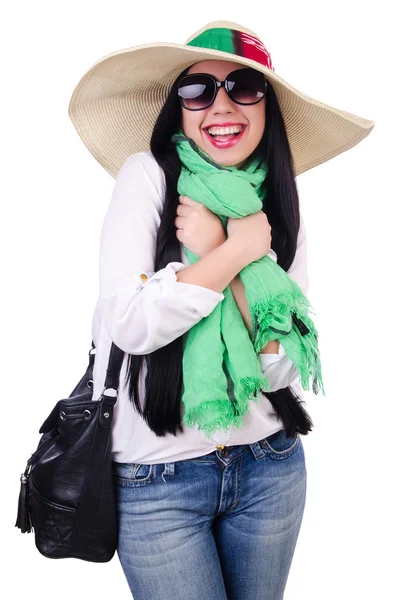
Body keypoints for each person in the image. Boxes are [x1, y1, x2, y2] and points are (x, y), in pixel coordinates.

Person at [68, 19, 375, 600]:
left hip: (270, 466)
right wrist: (238, 251)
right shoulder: (148, 179)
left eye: (244, 88)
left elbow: (281, 363)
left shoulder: (281, 198)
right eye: (197, 91)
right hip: (156, 481)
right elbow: (131, 325)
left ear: (268, 106)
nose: (221, 106)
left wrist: (219, 254)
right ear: (178, 108)